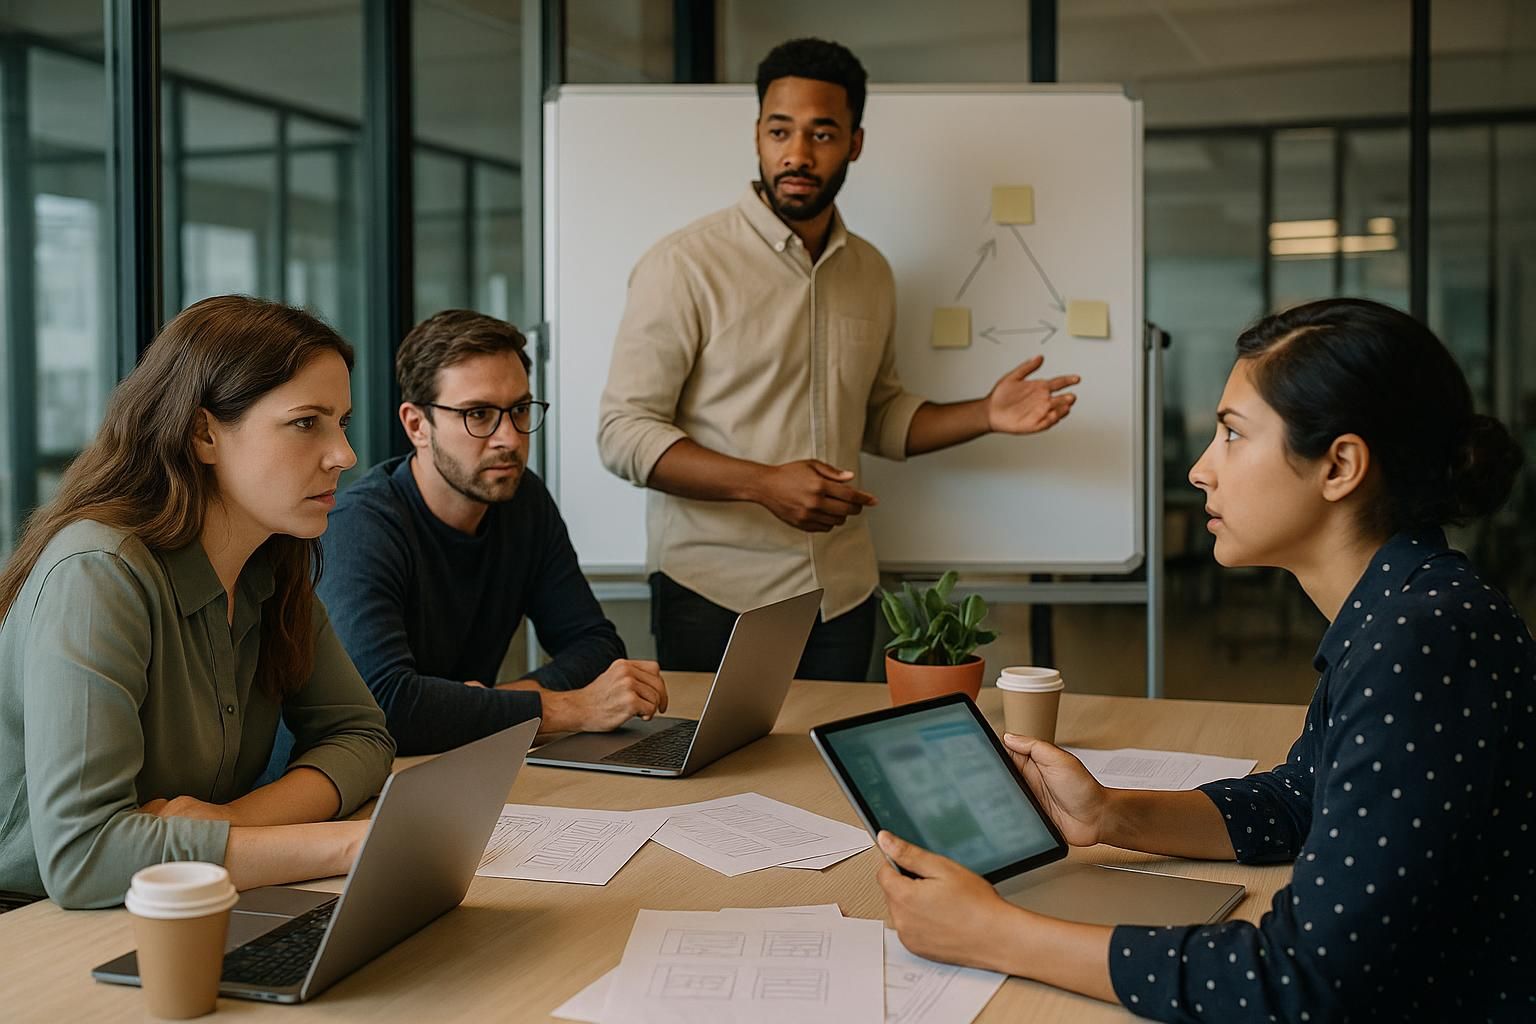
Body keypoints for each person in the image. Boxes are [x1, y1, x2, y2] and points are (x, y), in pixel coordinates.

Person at [873, 298, 1533, 1020]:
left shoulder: (1420, 639)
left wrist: (995, 935)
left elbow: (1302, 984)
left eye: (1232, 434)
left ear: (1340, 466)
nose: (1199, 470)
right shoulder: (1405, 603)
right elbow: (1300, 800)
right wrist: (1108, 814)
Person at [598, 37, 1080, 681]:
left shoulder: (870, 271)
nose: (797, 154)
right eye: (780, 131)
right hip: (715, 595)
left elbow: (877, 415)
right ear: (757, 135)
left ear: (854, 143)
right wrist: (763, 483)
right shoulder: (683, 264)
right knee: (717, 753)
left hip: (843, 593)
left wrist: (985, 414)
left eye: (822, 134)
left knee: (835, 751)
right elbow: (623, 433)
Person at [0, 296, 395, 910]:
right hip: (36, 924)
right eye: (306, 423)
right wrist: (344, 847)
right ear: (204, 433)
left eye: (341, 422)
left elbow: (362, 736)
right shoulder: (98, 573)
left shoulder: (271, 563)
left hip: (181, 901)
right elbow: (84, 857)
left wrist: (234, 821)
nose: (344, 454)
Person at [281, 309, 665, 759]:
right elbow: (383, 705)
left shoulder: (523, 501)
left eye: (519, 410)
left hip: (461, 765)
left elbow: (597, 648)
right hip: (347, 780)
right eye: (478, 414)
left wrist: (488, 705)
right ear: (417, 425)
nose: (510, 439)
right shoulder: (359, 526)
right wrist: (569, 708)